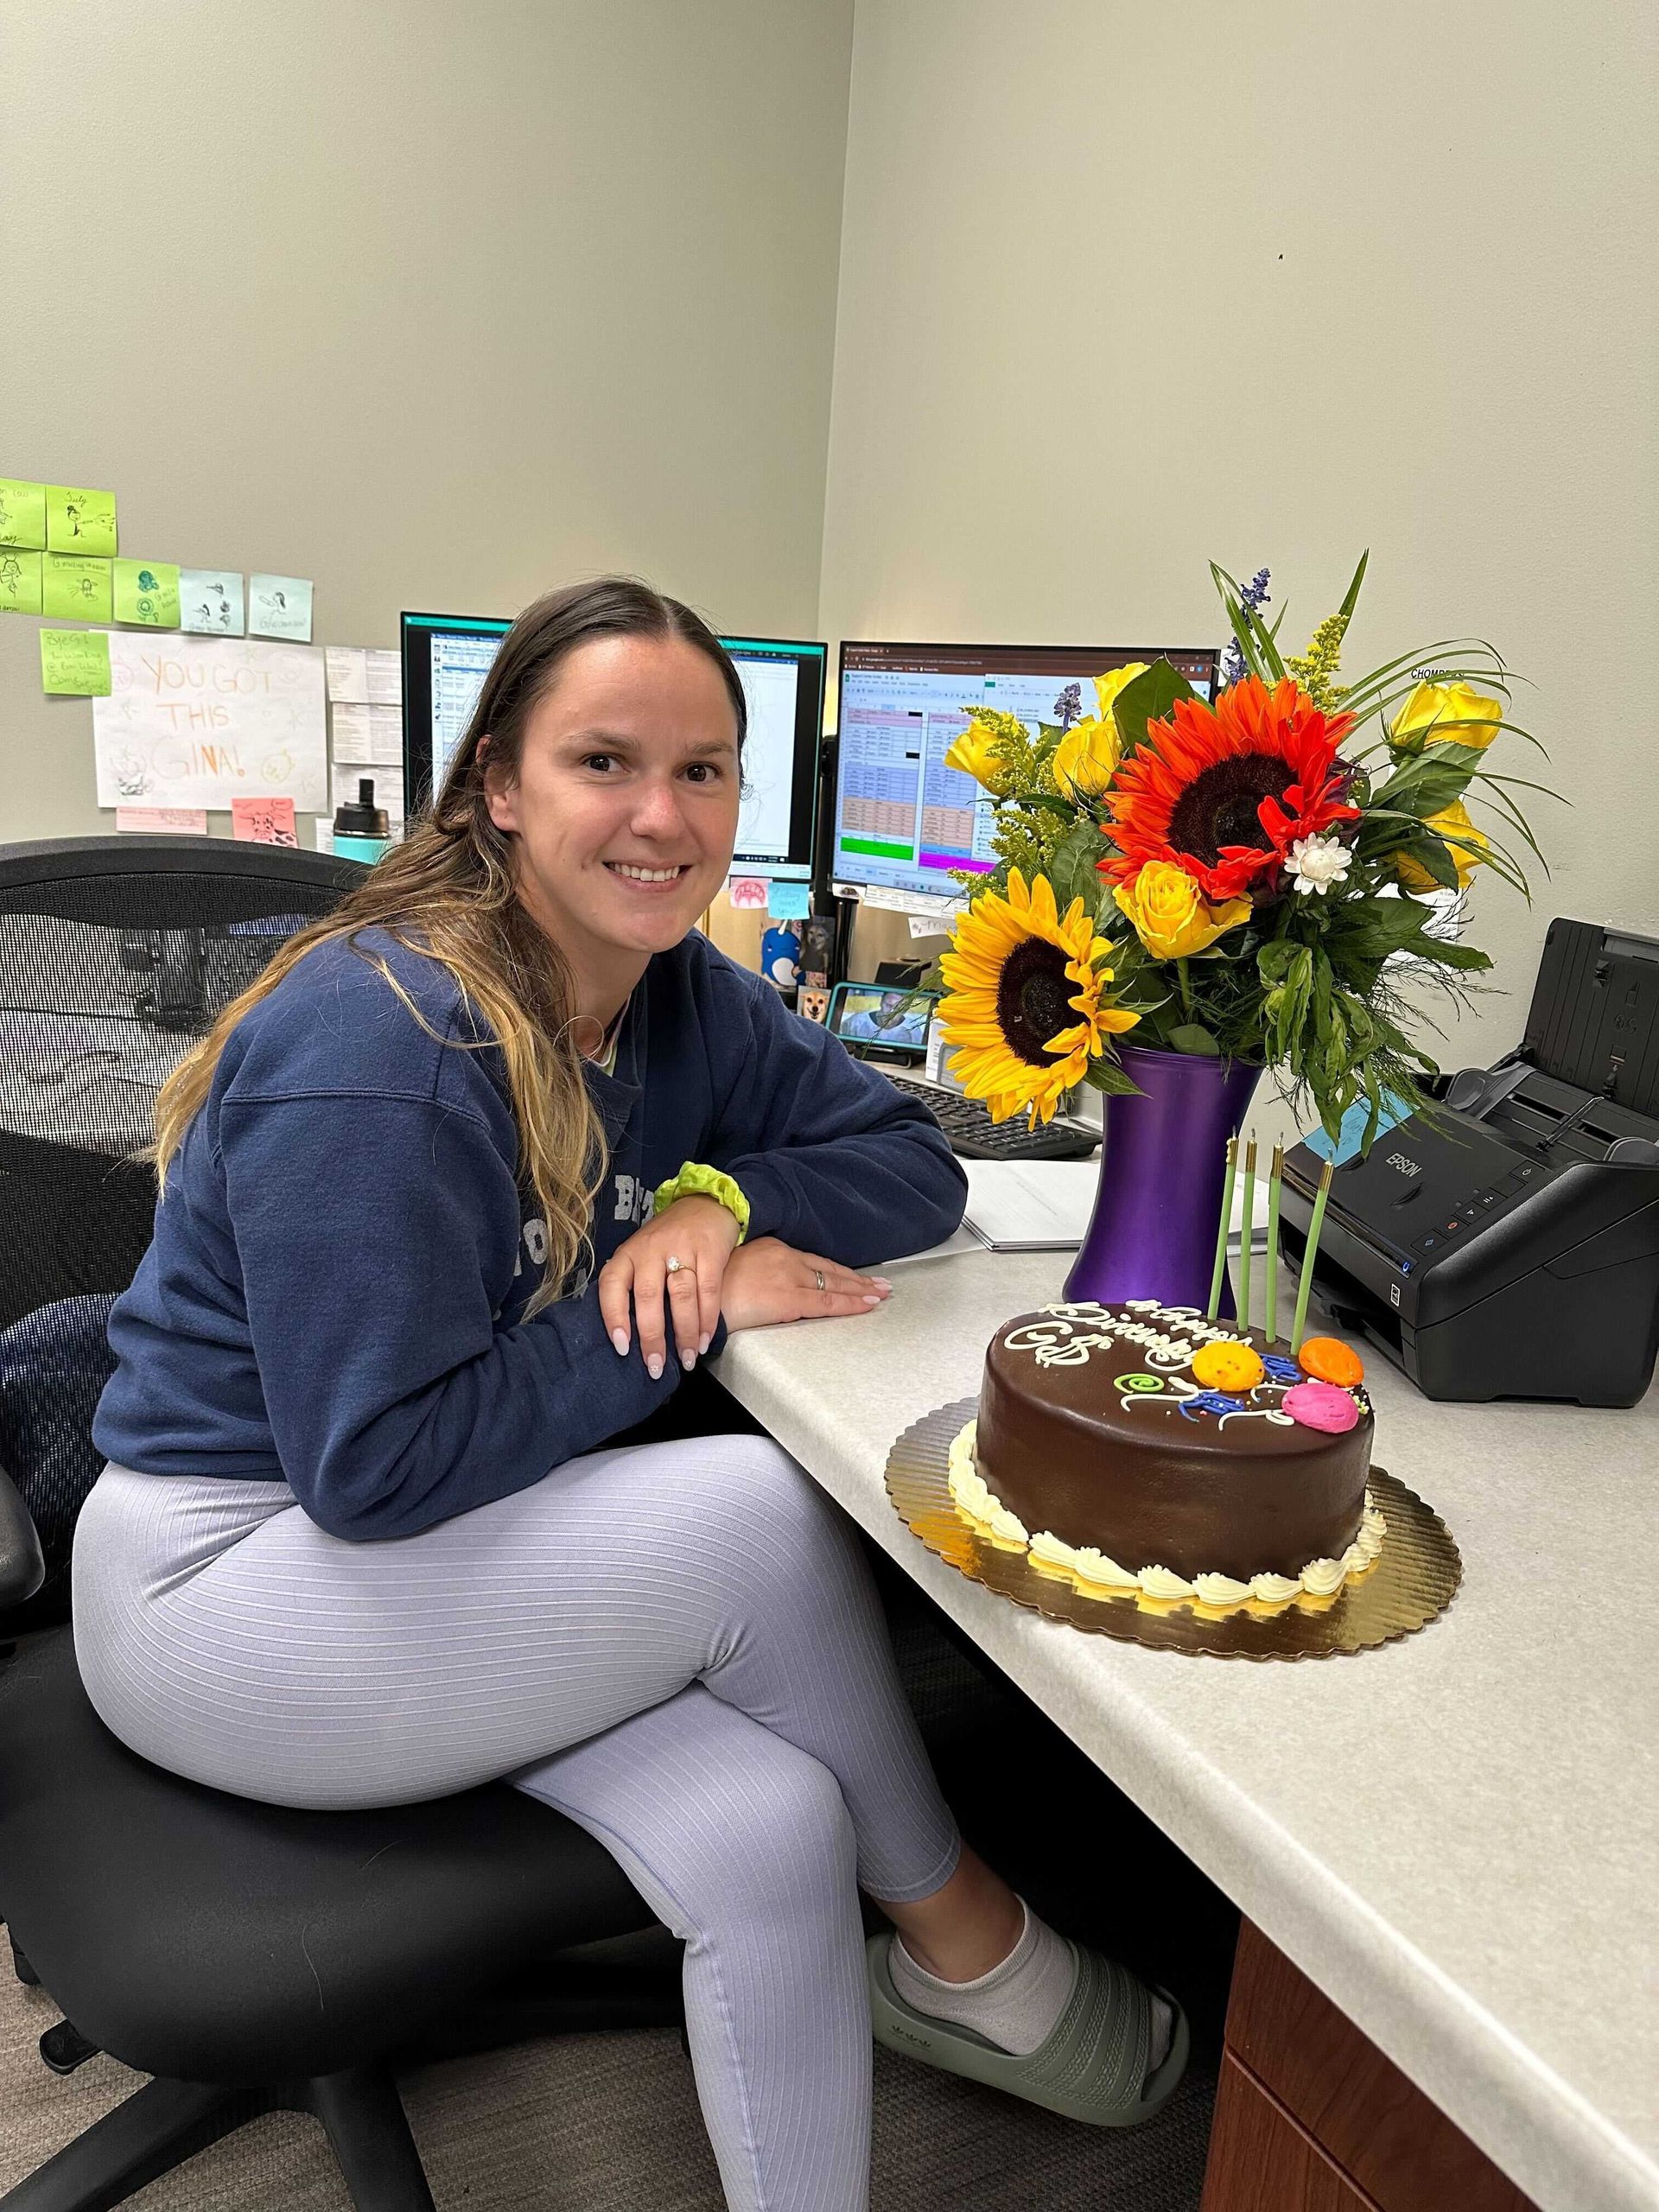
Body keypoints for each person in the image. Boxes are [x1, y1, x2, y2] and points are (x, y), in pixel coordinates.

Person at [76, 580, 1186, 2212]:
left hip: (439, 1548)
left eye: (707, 771)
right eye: (607, 763)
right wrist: (677, 1317)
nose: (664, 819)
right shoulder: (383, 1038)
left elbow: (908, 1166)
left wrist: (715, 1209)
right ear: (499, 790)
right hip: (227, 1584)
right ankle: (968, 1933)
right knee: (750, 1504)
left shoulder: (671, 988)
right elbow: (371, 1467)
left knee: (774, 1817)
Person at [838, 989, 929, 1048]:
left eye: (898, 1009)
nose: (891, 1012)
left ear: (905, 1010)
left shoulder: (913, 1030)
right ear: (881, 1002)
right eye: (888, 1005)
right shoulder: (855, 1023)